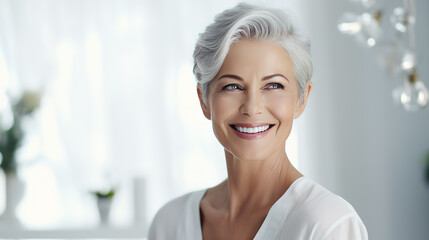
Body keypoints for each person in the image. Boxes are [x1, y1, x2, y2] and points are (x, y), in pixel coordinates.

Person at [148, 3, 368, 240]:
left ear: (302, 99)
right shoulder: (169, 223)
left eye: (273, 85)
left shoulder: (326, 223)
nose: (252, 108)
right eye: (232, 86)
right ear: (204, 100)